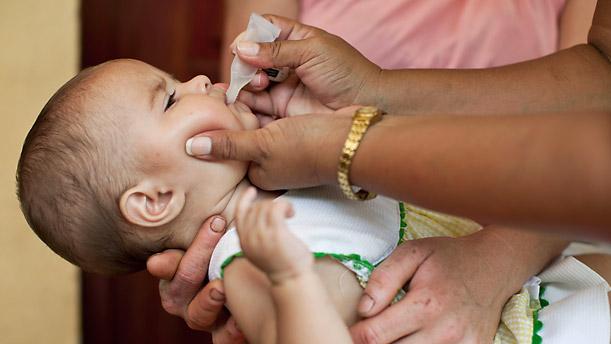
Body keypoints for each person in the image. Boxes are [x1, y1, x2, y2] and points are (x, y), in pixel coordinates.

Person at [17, 59, 609, 343]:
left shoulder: (302, 185)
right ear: (155, 201)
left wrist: (348, 129)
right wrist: (291, 279)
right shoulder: (247, 257)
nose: (199, 81)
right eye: (170, 99)